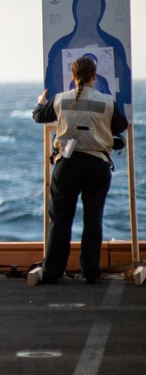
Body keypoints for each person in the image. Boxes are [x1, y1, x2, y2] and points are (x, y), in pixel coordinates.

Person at [32, 56, 128, 284]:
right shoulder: (106, 101)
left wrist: (40, 101)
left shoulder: (60, 100)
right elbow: (121, 125)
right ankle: (91, 272)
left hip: (67, 164)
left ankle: (52, 272)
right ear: (95, 77)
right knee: (93, 219)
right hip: (97, 165)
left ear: (73, 77)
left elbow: (38, 116)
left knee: (61, 220)